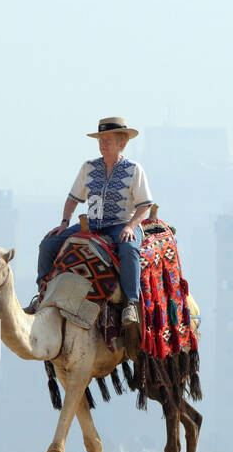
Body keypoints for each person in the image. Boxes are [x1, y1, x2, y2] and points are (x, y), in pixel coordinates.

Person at [30, 117, 153, 325]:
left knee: (129, 249)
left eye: (108, 140)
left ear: (121, 143)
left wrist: (132, 226)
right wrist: (64, 222)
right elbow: (73, 198)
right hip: (93, 225)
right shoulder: (88, 167)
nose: (102, 144)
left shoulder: (134, 169)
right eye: (100, 140)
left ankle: (131, 303)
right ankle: (42, 294)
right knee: (48, 244)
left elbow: (145, 205)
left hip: (121, 224)